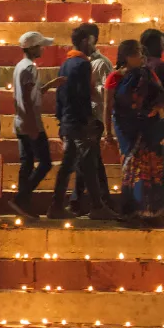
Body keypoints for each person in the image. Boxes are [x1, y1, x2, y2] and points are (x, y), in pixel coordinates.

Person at [47, 22, 116, 221]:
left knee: (75, 164)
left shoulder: (66, 63)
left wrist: (61, 119)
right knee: (87, 163)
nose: (95, 44)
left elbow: (61, 93)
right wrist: (88, 121)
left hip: (69, 121)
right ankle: (95, 206)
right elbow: (82, 96)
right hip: (79, 122)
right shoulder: (83, 64)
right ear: (86, 41)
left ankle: (58, 205)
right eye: (93, 40)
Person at [109, 38, 164, 223]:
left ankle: (151, 211)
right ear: (125, 56)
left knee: (150, 166)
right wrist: (107, 131)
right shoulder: (115, 77)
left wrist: (161, 114)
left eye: (141, 53)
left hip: (149, 127)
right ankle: (131, 210)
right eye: (135, 53)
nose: (140, 57)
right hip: (126, 129)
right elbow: (108, 105)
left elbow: (162, 97)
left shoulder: (149, 74)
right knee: (131, 167)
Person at [7, 30, 53, 216]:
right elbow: (26, 98)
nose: (43, 49)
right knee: (45, 162)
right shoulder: (29, 68)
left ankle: (23, 203)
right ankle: (21, 197)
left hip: (20, 121)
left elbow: (26, 94)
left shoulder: (20, 66)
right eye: (40, 46)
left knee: (26, 163)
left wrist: (49, 86)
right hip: (29, 122)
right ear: (33, 48)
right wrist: (32, 125)